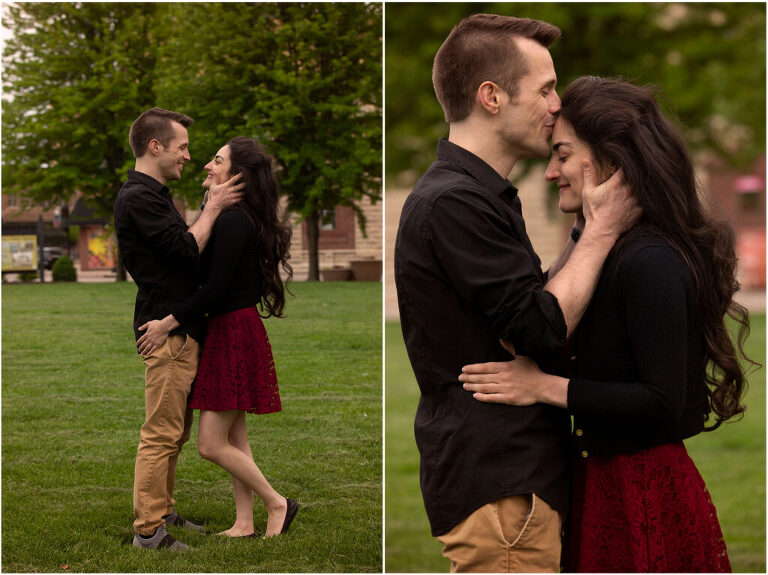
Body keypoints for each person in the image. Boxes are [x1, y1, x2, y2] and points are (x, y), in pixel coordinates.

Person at [460, 76, 752, 572]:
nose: (551, 171)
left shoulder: (650, 259)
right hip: (602, 481)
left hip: (643, 491)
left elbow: (662, 401)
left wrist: (542, 388)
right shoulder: (613, 250)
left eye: (564, 154)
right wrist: (591, 228)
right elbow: (543, 316)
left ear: (613, 160)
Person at [394, 14, 639, 573]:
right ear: (492, 96)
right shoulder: (454, 202)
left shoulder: (479, 197)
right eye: (546, 88)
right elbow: (541, 326)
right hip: (502, 483)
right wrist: (601, 230)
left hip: (513, 477)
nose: (557, 105)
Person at [135, 137, 298, 539]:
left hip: (232, 331)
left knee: (210, 444)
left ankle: (277, 503)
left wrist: (166, 323)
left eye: (217, 160)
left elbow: (211, 288)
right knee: (234, 438)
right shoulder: (236, 216)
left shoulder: (231, 220)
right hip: (229, 328)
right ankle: (244, 522)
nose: (207, 165)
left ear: (236, 174)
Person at [114, 108, 244, 550]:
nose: (189, 156)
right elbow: (186, 250)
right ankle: (149, 531)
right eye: (183, 146)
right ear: (156, 146)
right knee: (161, 433)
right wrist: (213, 207)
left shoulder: (156, 195)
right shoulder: (137, 198)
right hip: (165, 331)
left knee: (178, 432)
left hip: (180, 327)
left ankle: (164, 509)